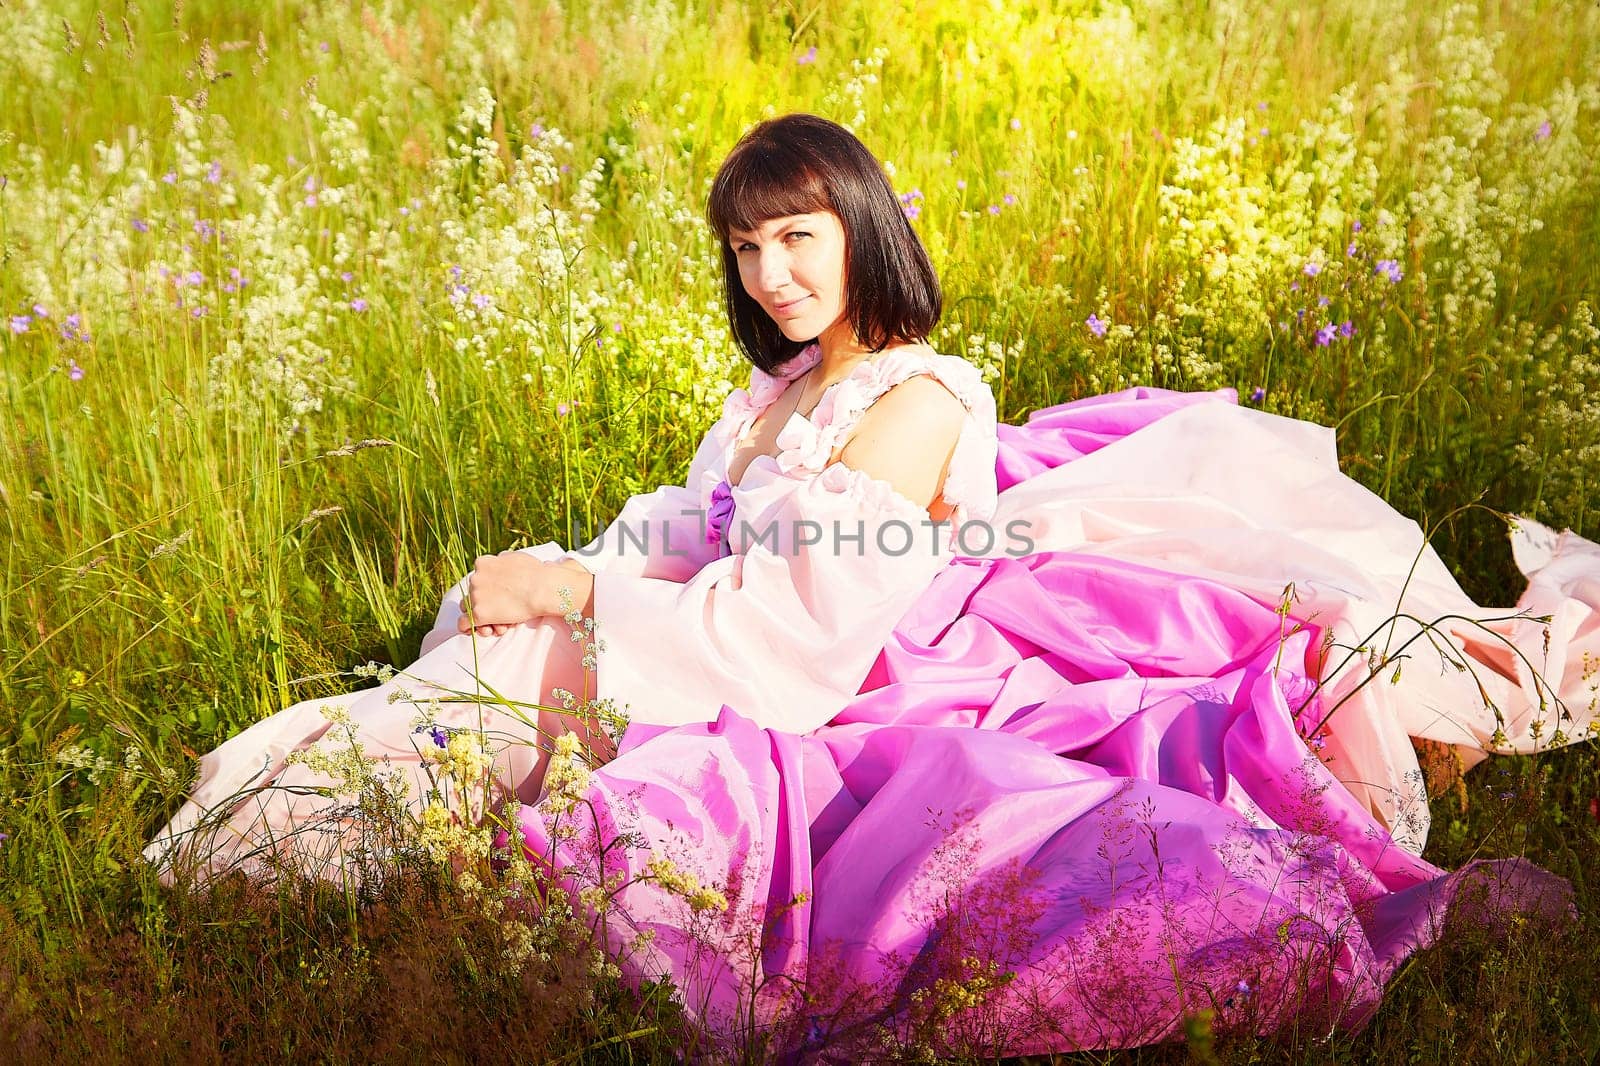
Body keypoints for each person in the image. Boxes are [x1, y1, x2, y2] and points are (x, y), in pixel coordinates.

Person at [144, 113, 1600, 1053]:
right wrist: (563, 570)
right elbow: (702, 524)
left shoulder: (910, 402)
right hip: (712, 627)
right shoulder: (776, 393)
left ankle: (336, 864)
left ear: (859, 228)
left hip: (832, 664)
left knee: (473, 736)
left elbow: (801, 636)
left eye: (797, 236)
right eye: (746, 247)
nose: (772, 272)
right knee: (436, 695)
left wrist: (585, 602)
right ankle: (291, 851)